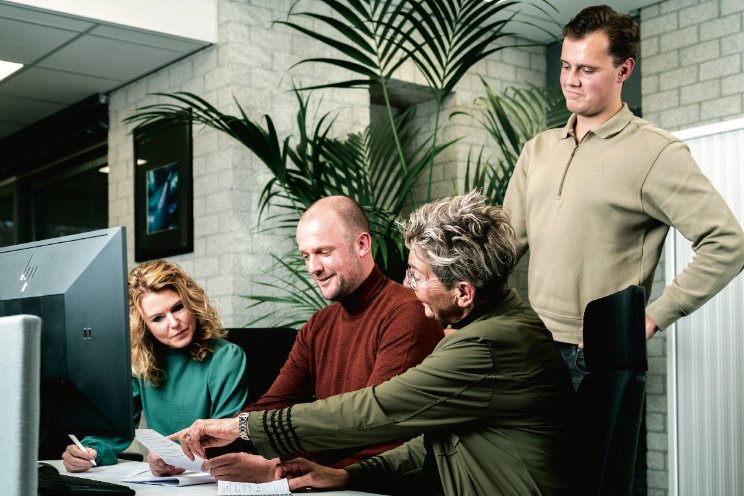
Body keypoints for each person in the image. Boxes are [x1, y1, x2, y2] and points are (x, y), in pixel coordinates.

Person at [174, 191, 576, 496]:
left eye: (418, 276)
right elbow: (436, 445)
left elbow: (377, 411)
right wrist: (348, 475)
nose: (409, 286)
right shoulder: (495, 327)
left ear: (464, 293)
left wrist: (242, 427)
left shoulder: (486, 345)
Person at [503, 4, 744, 388]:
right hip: (534, 343)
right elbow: (504, 246)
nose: (571, 80)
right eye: (566, 66)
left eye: (587, 70)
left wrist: (652, 316)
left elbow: (728, 243)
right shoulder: (538, 149)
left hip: (598, 352)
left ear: (624, 70)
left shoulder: (656, 153)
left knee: (595, 453)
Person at [200, 195, 444, 482]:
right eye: (306, 255)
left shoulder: (407, 312)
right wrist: (198, 449)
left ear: (362, 245)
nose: (312, 268)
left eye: (324, 252)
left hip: (378, 482)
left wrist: (278, 468)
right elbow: (274, 404)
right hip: (321, 477)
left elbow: (376, 426)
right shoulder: (319, 325)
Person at [61, 259, 248, 474]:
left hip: (211, 479)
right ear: (144, 327)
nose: (174, 323)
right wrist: (88, 453)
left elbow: (225, 436)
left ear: (192, 303)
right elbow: (115, 433)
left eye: (178, 307)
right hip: (165, 483)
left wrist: (181, 460)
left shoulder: (226, 357)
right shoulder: (140, 362)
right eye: (158, 318)